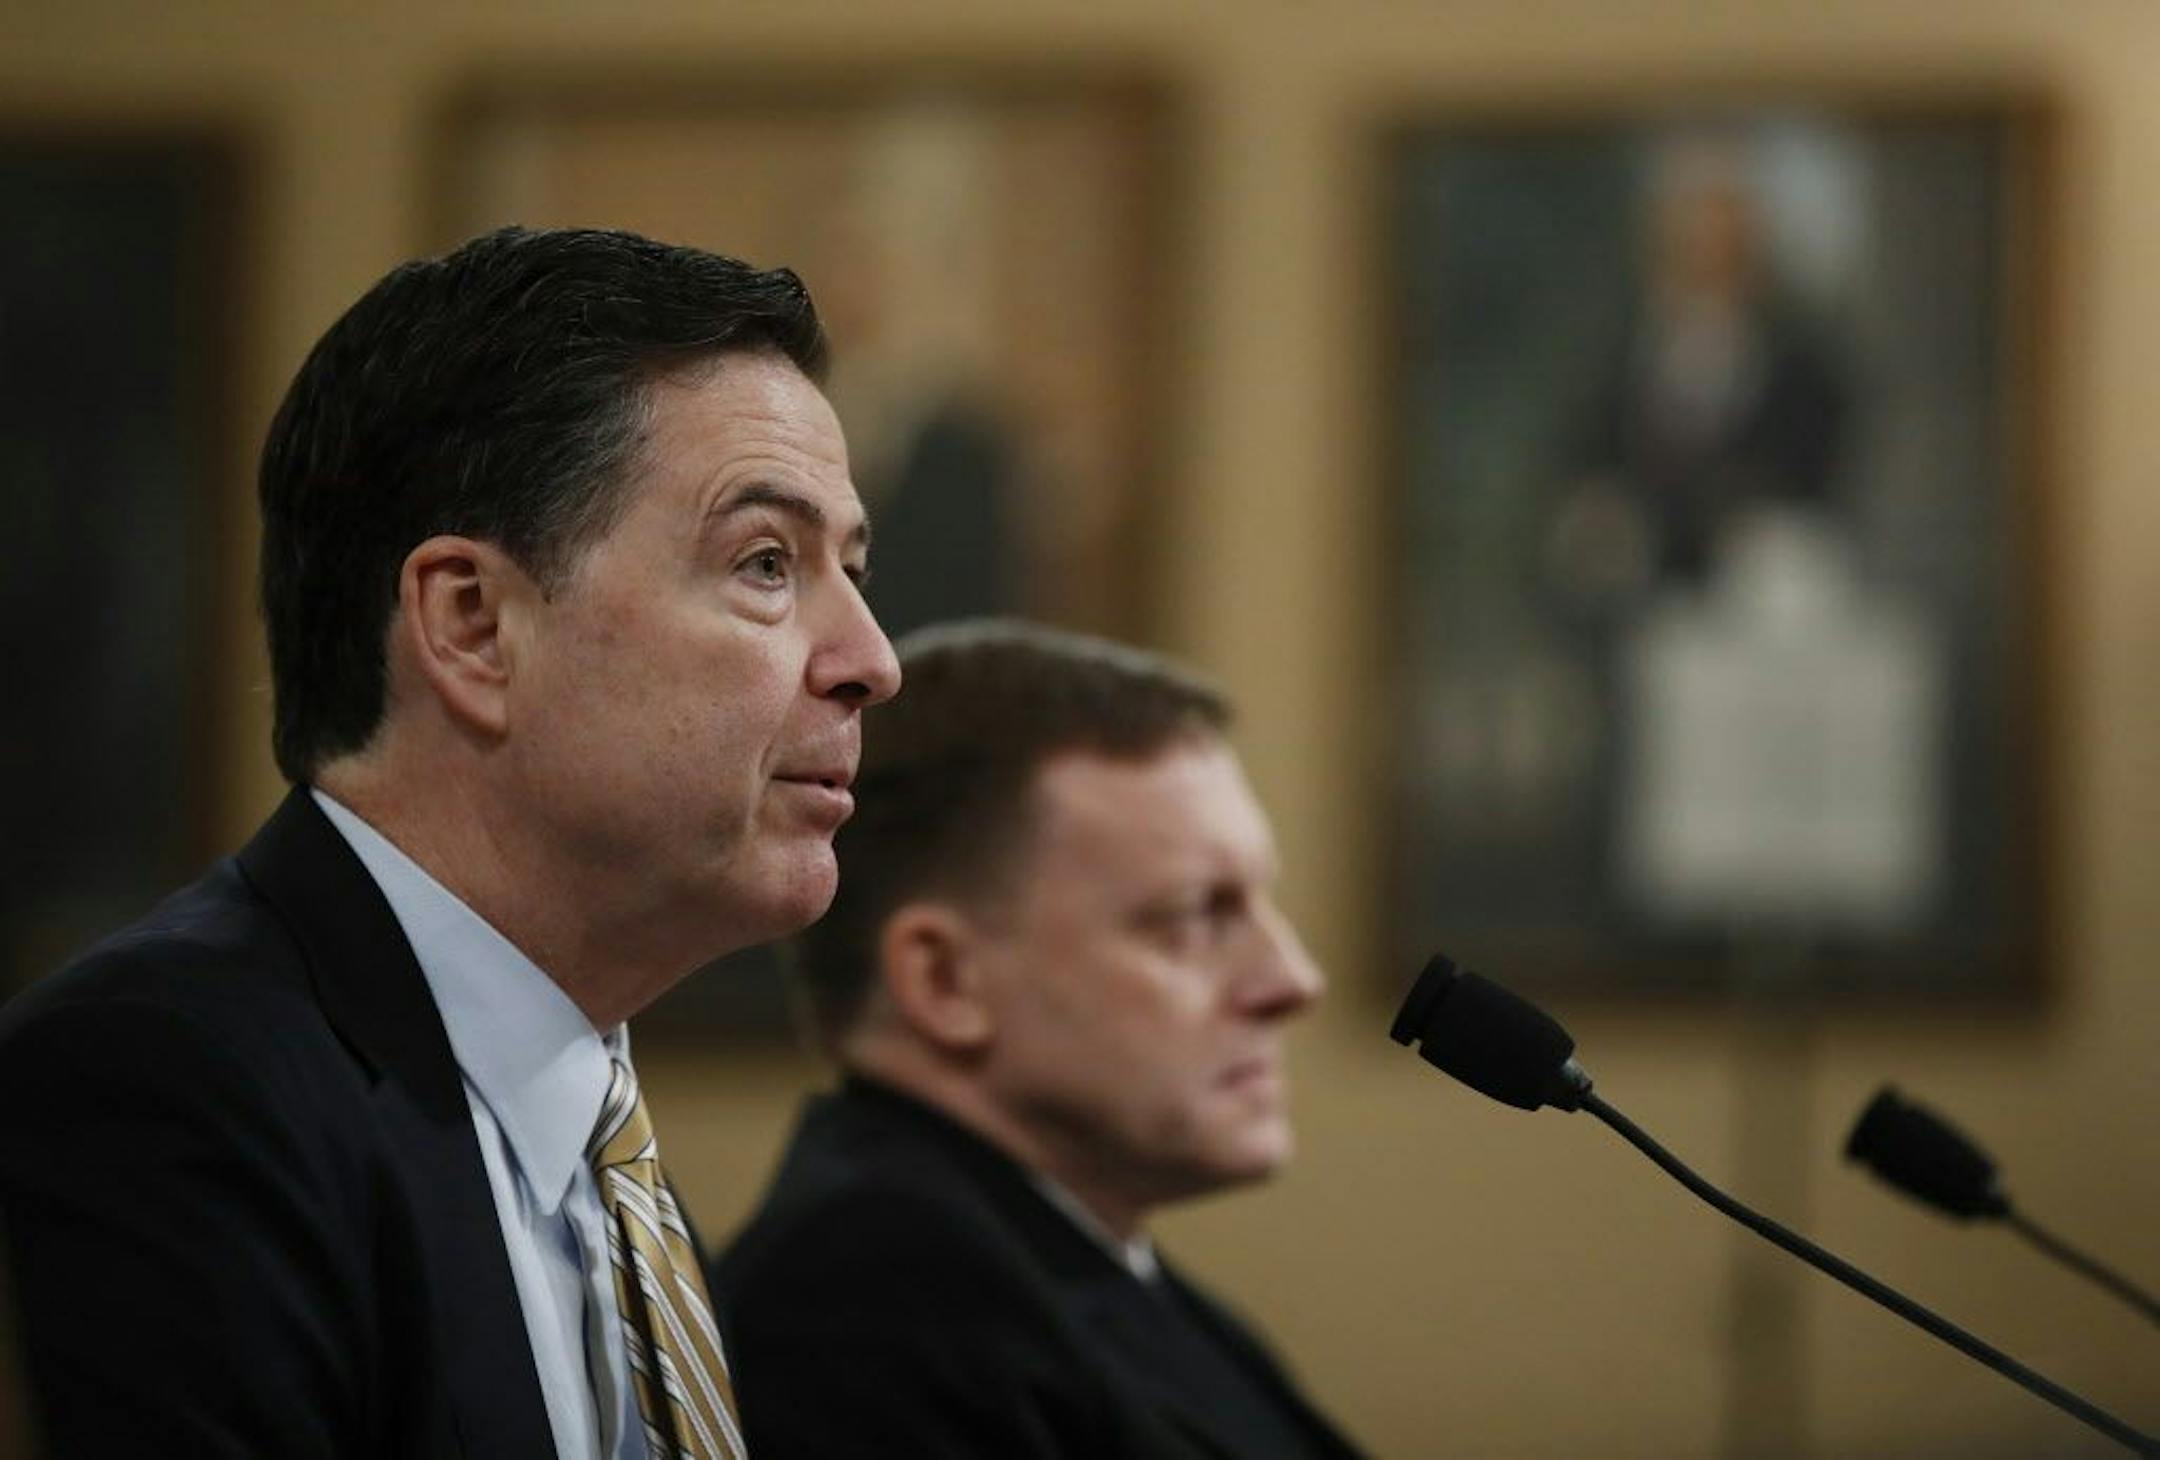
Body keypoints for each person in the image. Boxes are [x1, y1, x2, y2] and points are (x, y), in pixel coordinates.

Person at [0, 225, 900, 1458]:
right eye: (764, 562)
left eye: (850, 569)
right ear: (473, 623)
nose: (872, 661)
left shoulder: (602, 1145)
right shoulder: (166, 1085)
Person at [713, 619, 1364, 1459]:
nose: (1292, 981)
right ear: (945, 981)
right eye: (1193, 917)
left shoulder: (1070, 1267)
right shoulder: (869, 1326)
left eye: (1259, 905)